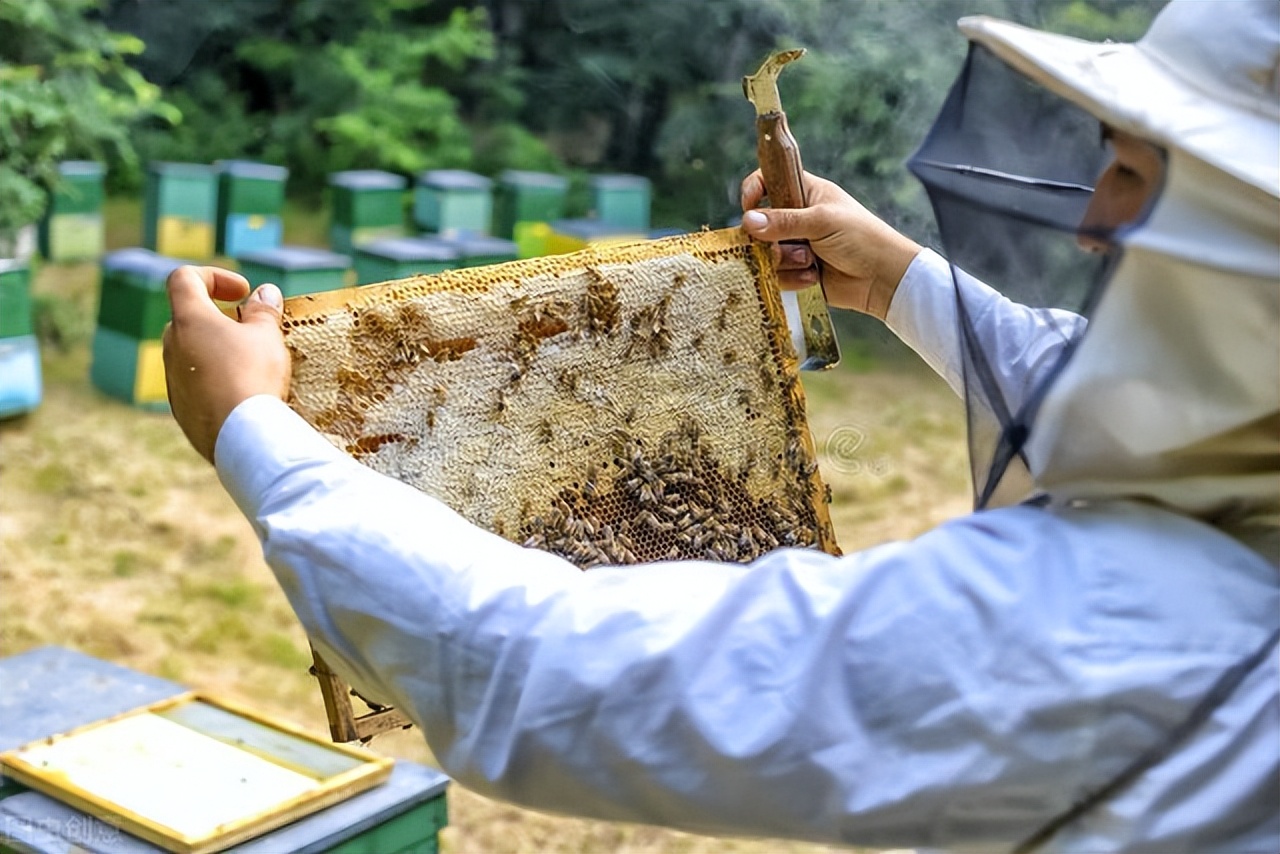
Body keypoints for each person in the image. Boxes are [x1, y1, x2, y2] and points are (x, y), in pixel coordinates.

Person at [162, 1, 1278, 850]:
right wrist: (891, 276)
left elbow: (539, 671)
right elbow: (1083, 382)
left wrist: (253, 426)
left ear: (1239, 231)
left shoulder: (1101, 625)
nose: (1090, 222)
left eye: (1130, 172)